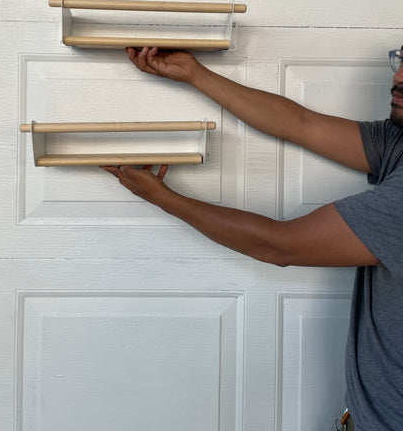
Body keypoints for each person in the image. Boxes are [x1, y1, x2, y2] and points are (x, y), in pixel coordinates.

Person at [103, 45, 403, 431]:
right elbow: (300, 124)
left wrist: (164, 200)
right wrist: (194, 73)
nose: (398, 79)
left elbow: (280, 244)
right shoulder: (398, 143)